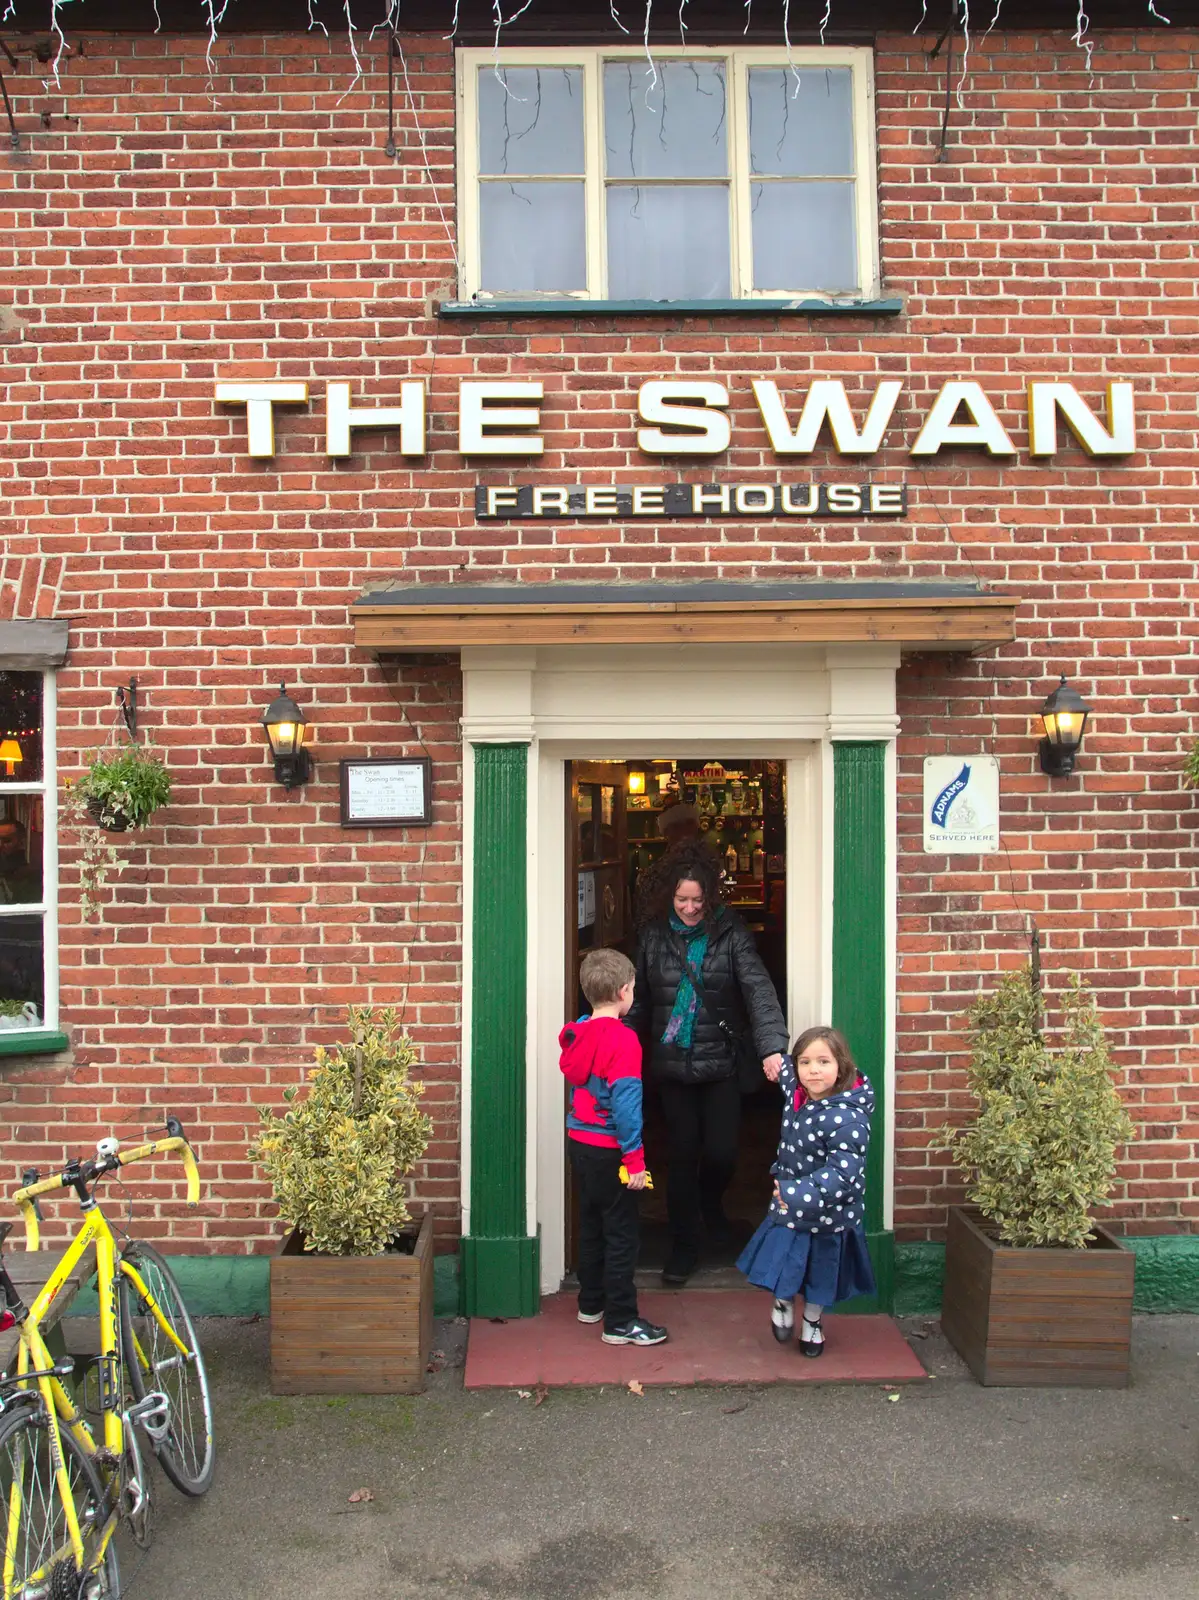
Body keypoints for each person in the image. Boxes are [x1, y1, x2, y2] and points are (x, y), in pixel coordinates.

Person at [627, 842, 789, 1286]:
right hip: (672, 1064)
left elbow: (757, 988)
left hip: (720, 1063)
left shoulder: (730, 933)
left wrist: (772, 1045)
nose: (691, 908)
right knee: (681, 1155)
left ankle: (711, 1201)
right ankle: (683, 1247)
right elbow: (639, 1001)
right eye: (683, 900)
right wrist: (622, 1051)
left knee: (721, 1151)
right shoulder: (653, 937)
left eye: (699, 900)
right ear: (670, 897)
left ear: (710, 897)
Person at [736, 1026, 876, 1357]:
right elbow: (780, 1065)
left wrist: (796, 1193)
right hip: (791, 1209)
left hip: (829, 1215)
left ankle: (812, 1322)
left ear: (842, 1066)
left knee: (821, 1273)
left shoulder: (849, 1118)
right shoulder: (799, 1089)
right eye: (805, 1062)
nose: (813, 1070)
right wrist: (772, 1055)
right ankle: (783, 1303)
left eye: (824, 1062)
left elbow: (843, 1175)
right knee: (786, 1261)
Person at [559, 947, 669, 1347]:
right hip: (611, 1149)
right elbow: (626, 1105)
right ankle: (621, 1320)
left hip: (579, 1142)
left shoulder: (577, 1033)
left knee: (591, 1222)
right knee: (621, 1233)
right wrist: (635, 1159)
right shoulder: (624, 1042)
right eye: (634, 988)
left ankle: (591, 1303)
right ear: (624, 991)